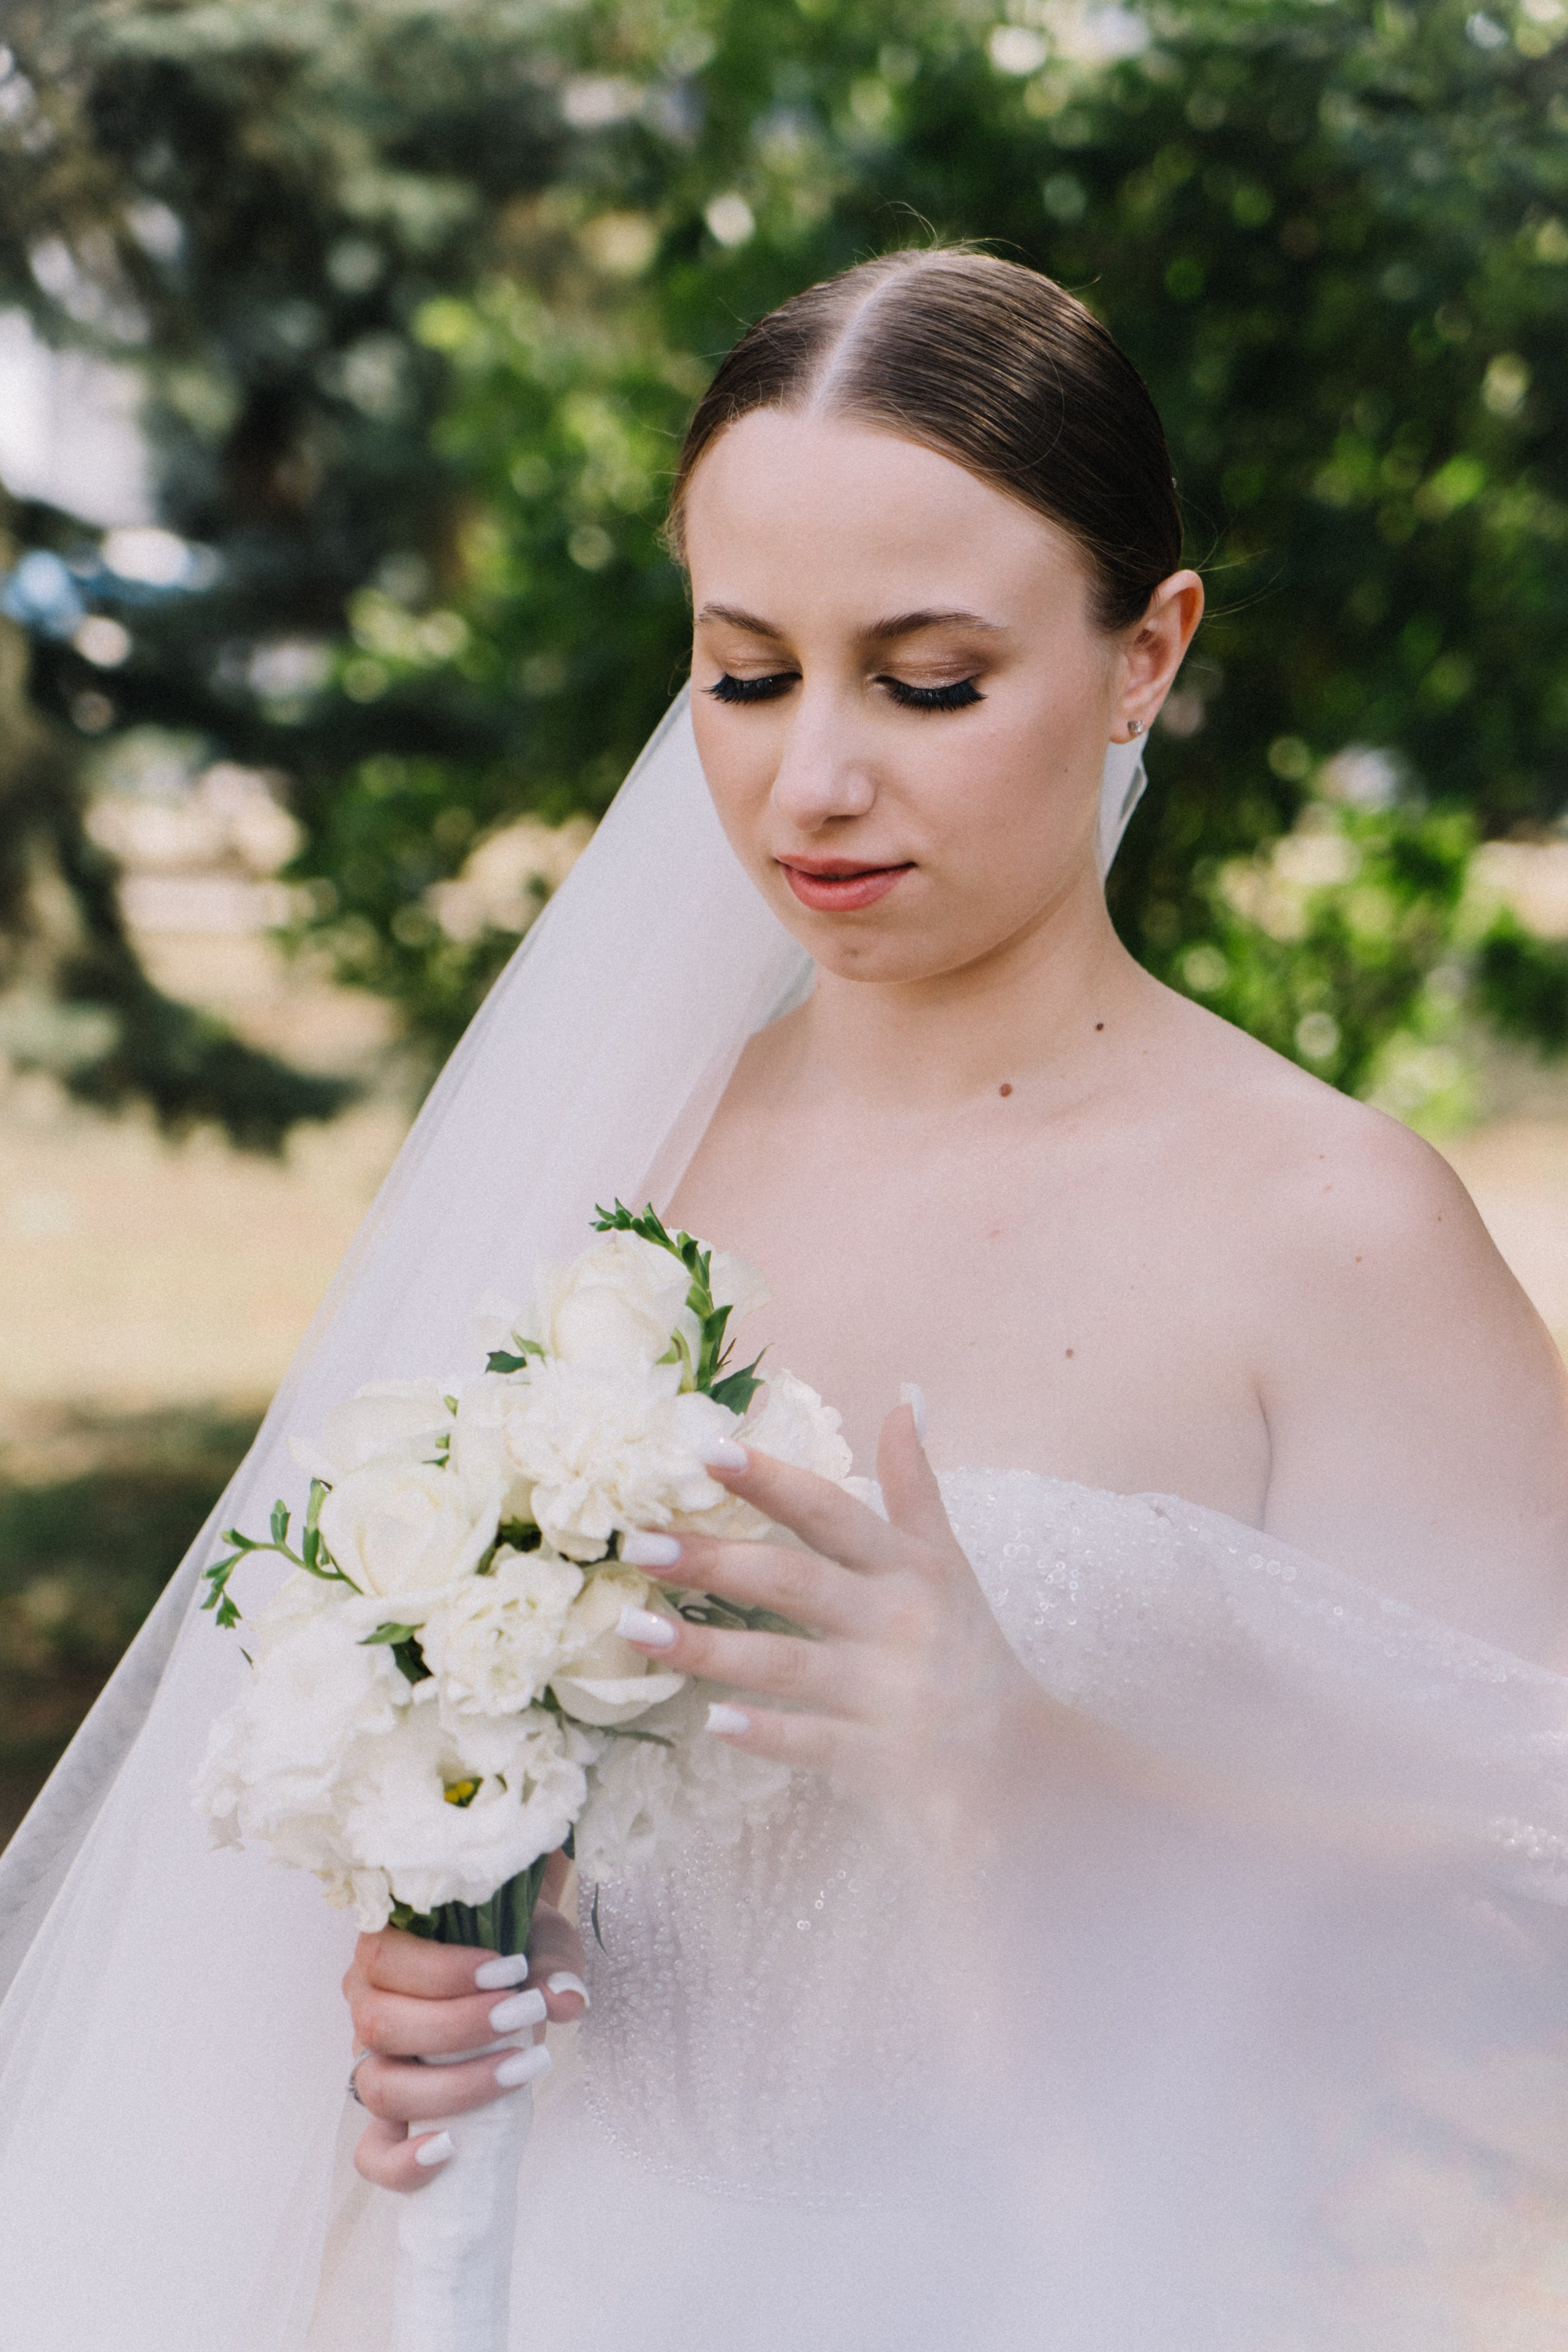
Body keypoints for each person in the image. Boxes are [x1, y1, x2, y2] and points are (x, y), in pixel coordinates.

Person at [3, 249, 1567, 2349]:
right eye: (746, 675)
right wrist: (426, 1960)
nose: (810, 781)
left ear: (1144, 654)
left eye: (926, 680)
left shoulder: (1335, 1229)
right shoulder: (605, 1166)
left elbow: (1527, 1952)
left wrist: (1034, 1763)